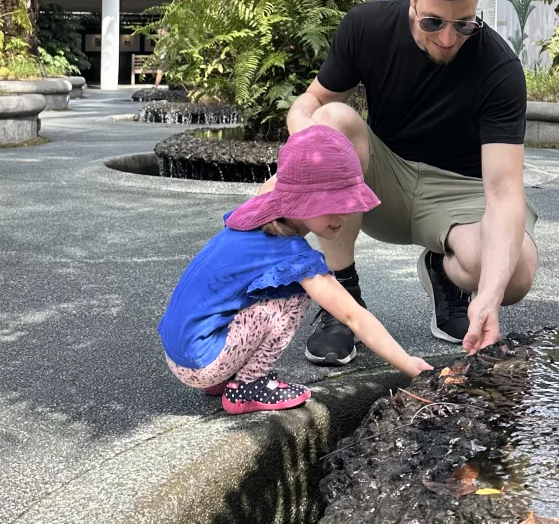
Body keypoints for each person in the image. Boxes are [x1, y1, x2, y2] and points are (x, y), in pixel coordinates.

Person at [287, 0, 538, 364]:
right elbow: (310, 103)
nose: (447, 39)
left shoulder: (499, 67)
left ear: (478, 4)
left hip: (459, 193)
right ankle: (343, 302)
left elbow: (504, 194)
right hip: (384, 181)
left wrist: (490, 299)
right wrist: (304, 140)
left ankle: (445, 274)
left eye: (464, 24)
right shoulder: (367, 27)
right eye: (433, 22)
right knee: (330, 121)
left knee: (515, 274)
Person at [158, 125, 431, 413]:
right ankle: (249, 386)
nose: (344, 213)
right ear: (301, 200)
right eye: (333, 204)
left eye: (348, 203)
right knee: (292, 294)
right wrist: (409, 364)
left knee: (261, 289)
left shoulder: (254, 217)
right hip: (203, 361)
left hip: (182, 352)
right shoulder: (291, 254)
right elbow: (353, 316)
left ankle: (227, 373)